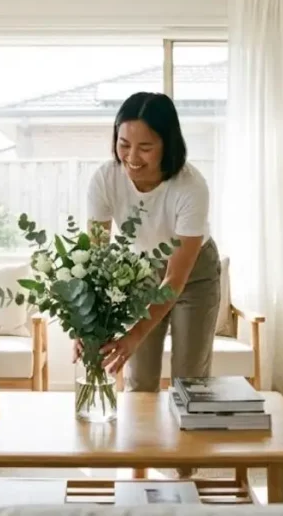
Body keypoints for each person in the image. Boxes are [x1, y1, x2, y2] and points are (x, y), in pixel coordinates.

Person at [82, 91, 222, 395]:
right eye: (124, 144)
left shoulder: (190, 187)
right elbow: (96, 258)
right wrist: (86, 320)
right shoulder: (105, 180)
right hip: (141, 271)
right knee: (140, 380)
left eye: (145, 147)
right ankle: (144, 443)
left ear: (167, 144)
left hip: (193, 274)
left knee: (190, 383)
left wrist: (135, 334)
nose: (132, 157)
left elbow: (174, 278)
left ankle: (188, 442)